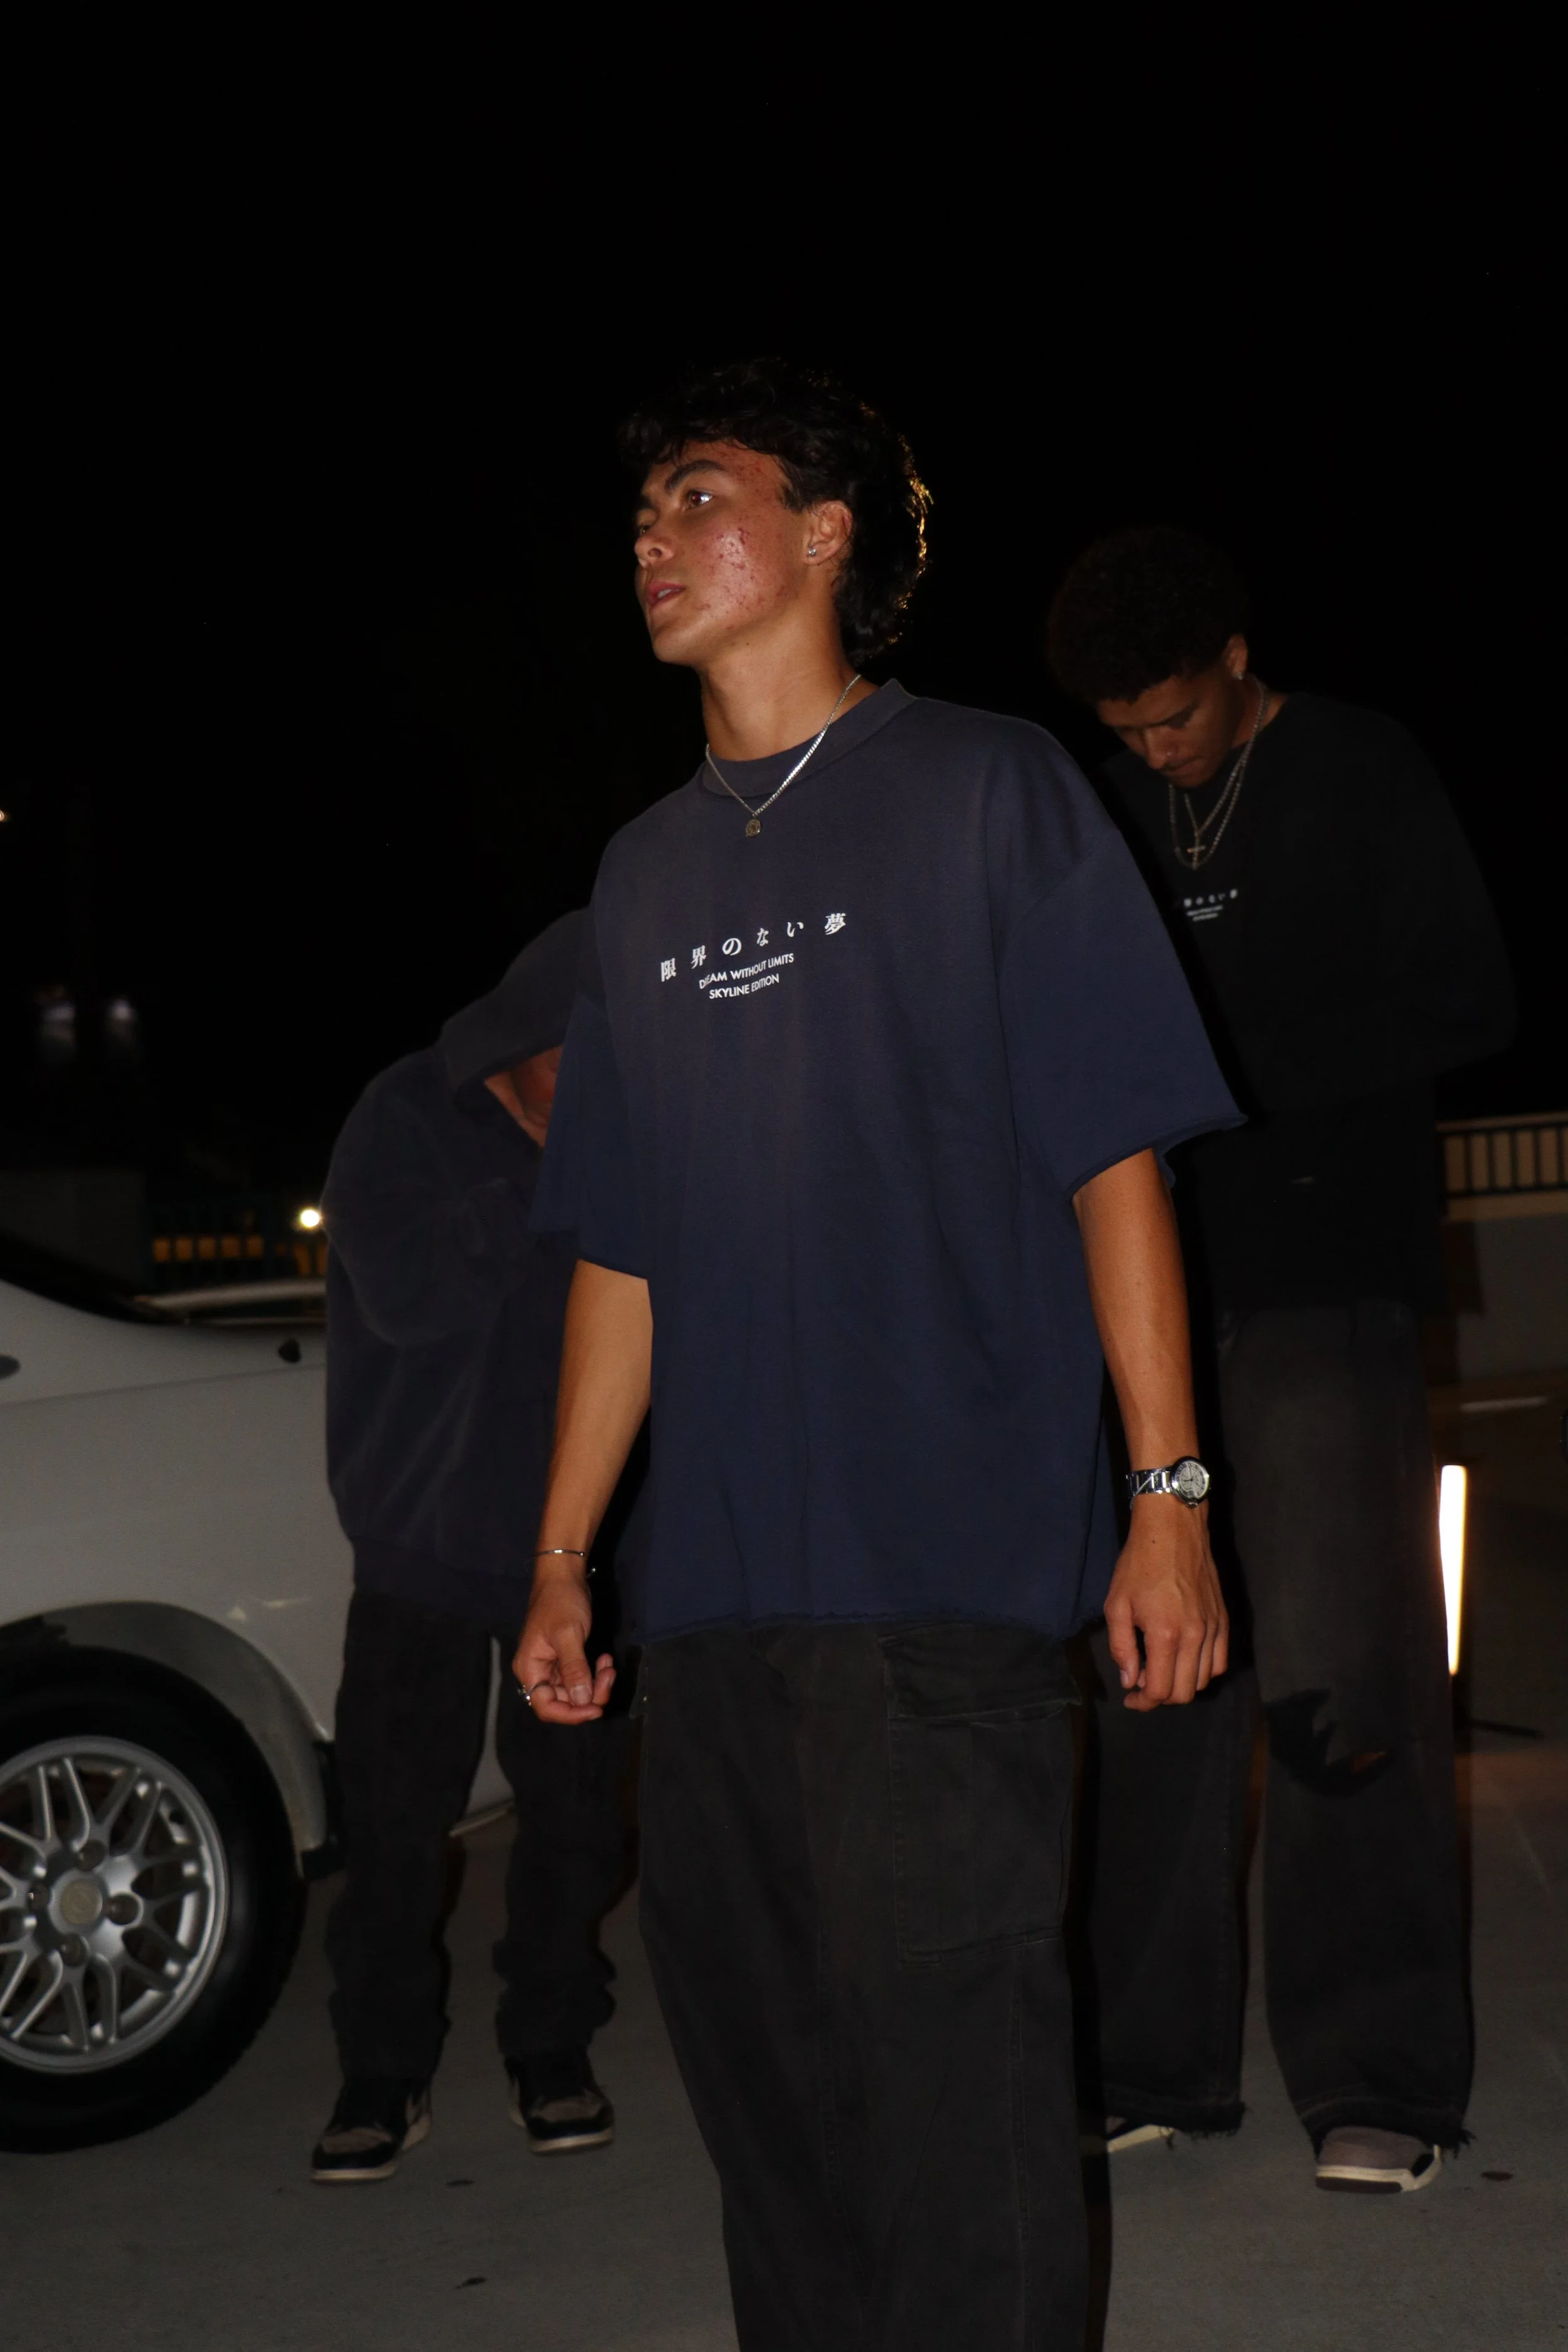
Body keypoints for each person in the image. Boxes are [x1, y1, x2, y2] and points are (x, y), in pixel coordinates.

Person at [514, 361, 1240, 2351]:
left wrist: (1167, 1495)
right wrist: (565, 1550)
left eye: (697, 495)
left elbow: (1111, 1162)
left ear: (826, 530)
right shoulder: (643, 874)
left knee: (959, 2097)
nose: (651, 537)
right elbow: (620, 1255)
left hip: (942, 1573)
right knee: (772, 2108)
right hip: (713, 1601)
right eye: (642, 511)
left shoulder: (990, 790)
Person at [1046, 526, 1514, 2195]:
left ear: (1236, 659)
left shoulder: (1358, 764)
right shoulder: (1104, 806)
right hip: (1152, 1296)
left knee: (1341, 1667)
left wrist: (1229, 1062)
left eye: (1173, 715)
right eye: (1125, 728)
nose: (1155, 750)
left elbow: (1468, 997)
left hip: (1325, 1281)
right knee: (1153, 1671)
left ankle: (1379, 2076)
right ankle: (1154, 2060)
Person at [309, 914, 634, 2184]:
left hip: (581, 1543)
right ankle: (380, 2067)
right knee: (394, 1825)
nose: (605, 1093)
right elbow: (405, 1296)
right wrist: (558, 1186)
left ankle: (551, 2043)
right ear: (522, 1043)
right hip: (421, 1541)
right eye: (585, 1069)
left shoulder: (626, 1129)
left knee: (576, 1821)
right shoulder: (402, 1114)